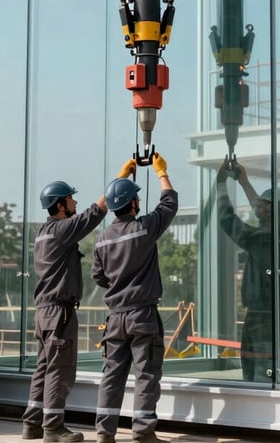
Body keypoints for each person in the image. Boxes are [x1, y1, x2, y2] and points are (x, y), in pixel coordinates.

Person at [22, 161, 134, 442]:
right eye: (70, 198)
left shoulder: (42, 233)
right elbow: (94, 215)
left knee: (44, 368)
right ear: (60, 205)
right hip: (59, 312)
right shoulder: (61, 231)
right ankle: (53, 428)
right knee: (60, 371)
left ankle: (32, 423)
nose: (74, 202)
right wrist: (119, 180)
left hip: (44, 313)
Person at [91, 153, 178, 443]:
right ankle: (142, 431)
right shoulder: (144, 228)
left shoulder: (102, 239)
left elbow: (99, 277)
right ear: (132, 203)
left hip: (115, 317)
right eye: (136, 199)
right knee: (146, 375)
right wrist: (160, 172)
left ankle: (105, 433)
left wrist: (121, 177)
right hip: (142, 315)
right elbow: (169, 204)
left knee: (112, 376)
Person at [216, 159, 280, 384]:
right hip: (276, 315)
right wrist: (244, 182)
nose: (257, 207)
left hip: (264, 317)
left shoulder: (267, 241)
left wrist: (221, 184)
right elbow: (263, 211)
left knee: (260, 371)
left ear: (275, 211)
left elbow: (227, 220)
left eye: (264, 205)